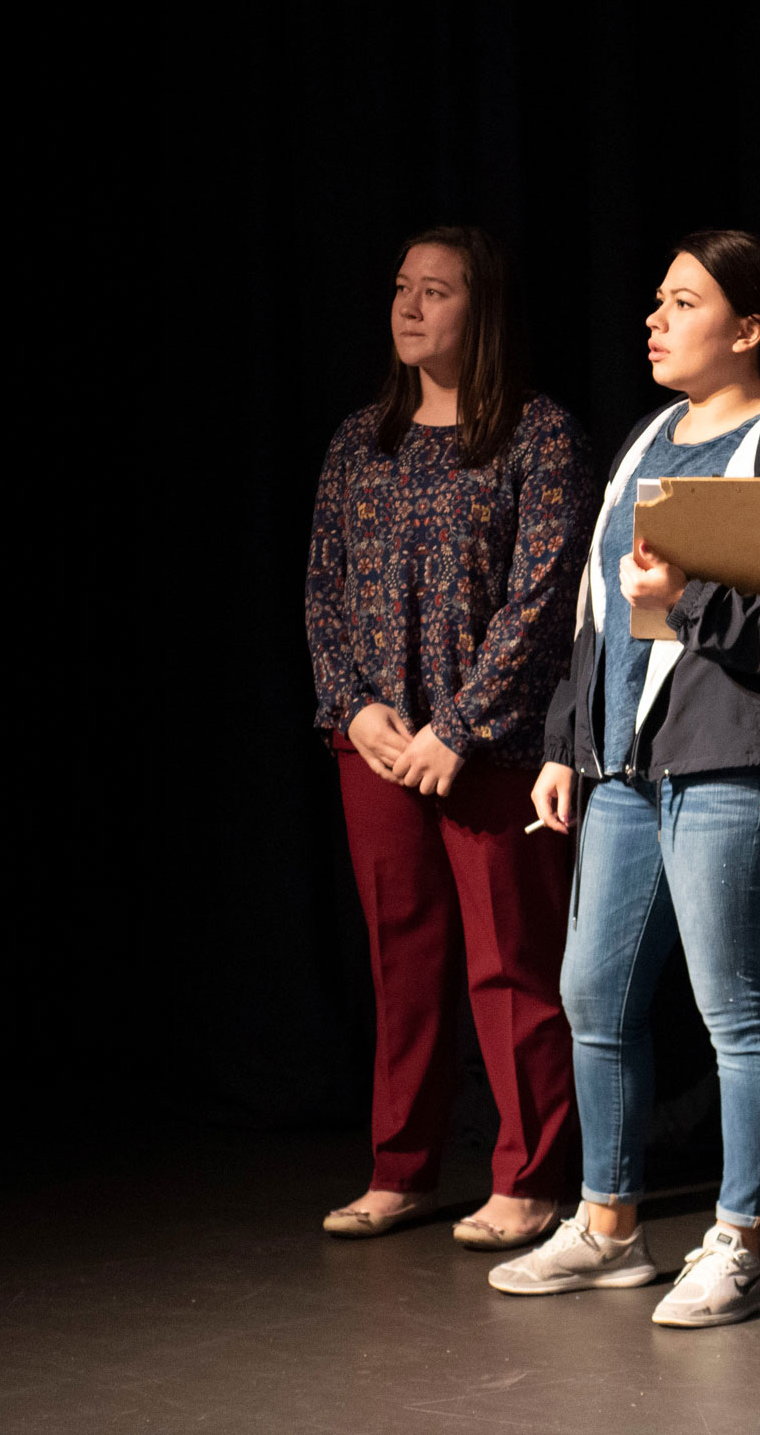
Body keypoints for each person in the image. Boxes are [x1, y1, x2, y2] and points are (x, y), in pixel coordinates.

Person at [487, 230, 760, 1329]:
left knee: (734, 1013)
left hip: (740, 765)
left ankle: (741, 1242)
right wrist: (566, 742)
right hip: (625, 769)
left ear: (746, 330)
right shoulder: (651, 438)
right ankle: (608, 1229)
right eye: (655, 300)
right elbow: (598, 614)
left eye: (682, 302)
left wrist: (695, 594)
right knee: (592, 995)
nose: (653, 320)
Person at [304, 225, 594, 1246]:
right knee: (402, 957)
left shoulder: (537, 435)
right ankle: (402, 1169)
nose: (409, 306)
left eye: (436, 290)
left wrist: (460, 727)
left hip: (496, 746)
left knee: (511, 961)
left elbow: (545, 595)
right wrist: (355, 707)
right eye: (400, 287)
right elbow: (324, 593)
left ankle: (530, 1175)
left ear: (484, 310)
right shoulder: (359, 441)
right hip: (376, 744)